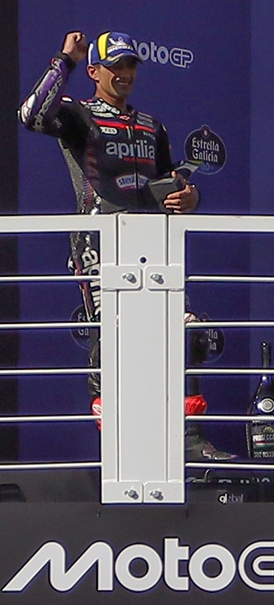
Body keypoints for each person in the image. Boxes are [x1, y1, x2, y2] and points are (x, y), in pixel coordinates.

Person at [18, 30, 231, 460]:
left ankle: (189, 439)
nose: (125, 73)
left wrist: (190, 197)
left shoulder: (153, 126)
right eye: (115, 65)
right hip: (99, 243)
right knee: (112, 340)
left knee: (182, 331)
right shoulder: (78, 115)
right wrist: (65, 59)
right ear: (94, 71)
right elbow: (31, 114)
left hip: (153, 240)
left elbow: (172, 180)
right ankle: (119, 447)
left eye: (130, 64)